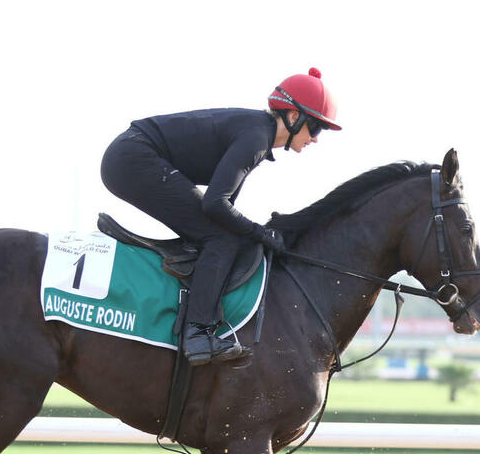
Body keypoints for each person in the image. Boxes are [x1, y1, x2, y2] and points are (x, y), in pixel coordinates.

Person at [100, 68, 340, 366]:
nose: (316, 139)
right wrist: (260, 232)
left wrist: (252, 231)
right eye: (316, 128)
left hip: (132, 155)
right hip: (132, 158)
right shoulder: (255, 138)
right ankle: (197, 333)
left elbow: (220, 205)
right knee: (222, 238)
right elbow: (216, 204)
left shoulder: (256, 133)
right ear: (294, 117)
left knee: (220, 233)